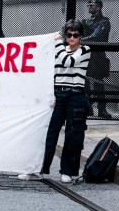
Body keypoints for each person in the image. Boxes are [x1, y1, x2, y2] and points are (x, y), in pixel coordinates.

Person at [18, 20, 92, 183]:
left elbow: (68, 62)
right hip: (57, 95)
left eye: (75, 35)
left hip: (76, 95)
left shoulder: (85, 50)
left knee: (73, 135)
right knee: (47, 132)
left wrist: (58, 43)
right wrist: (49, 95)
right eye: (69, 34)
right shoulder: (57, 50)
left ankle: (68, 171)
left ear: (81, 36)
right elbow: (48, 73)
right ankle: (39, 168)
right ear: (65, 34)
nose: (72, 38)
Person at [81, 0, 111, 119]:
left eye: (92, 5)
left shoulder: (104, 22)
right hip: (87, 55)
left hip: (98, 56)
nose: (89, 7)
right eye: (88, 5)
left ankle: (101, 109)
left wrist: (81, 40)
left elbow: (96, 36)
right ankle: (88, 108)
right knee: (86, 82)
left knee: (98, 82)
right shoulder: (87, 22)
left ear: (98, 7)